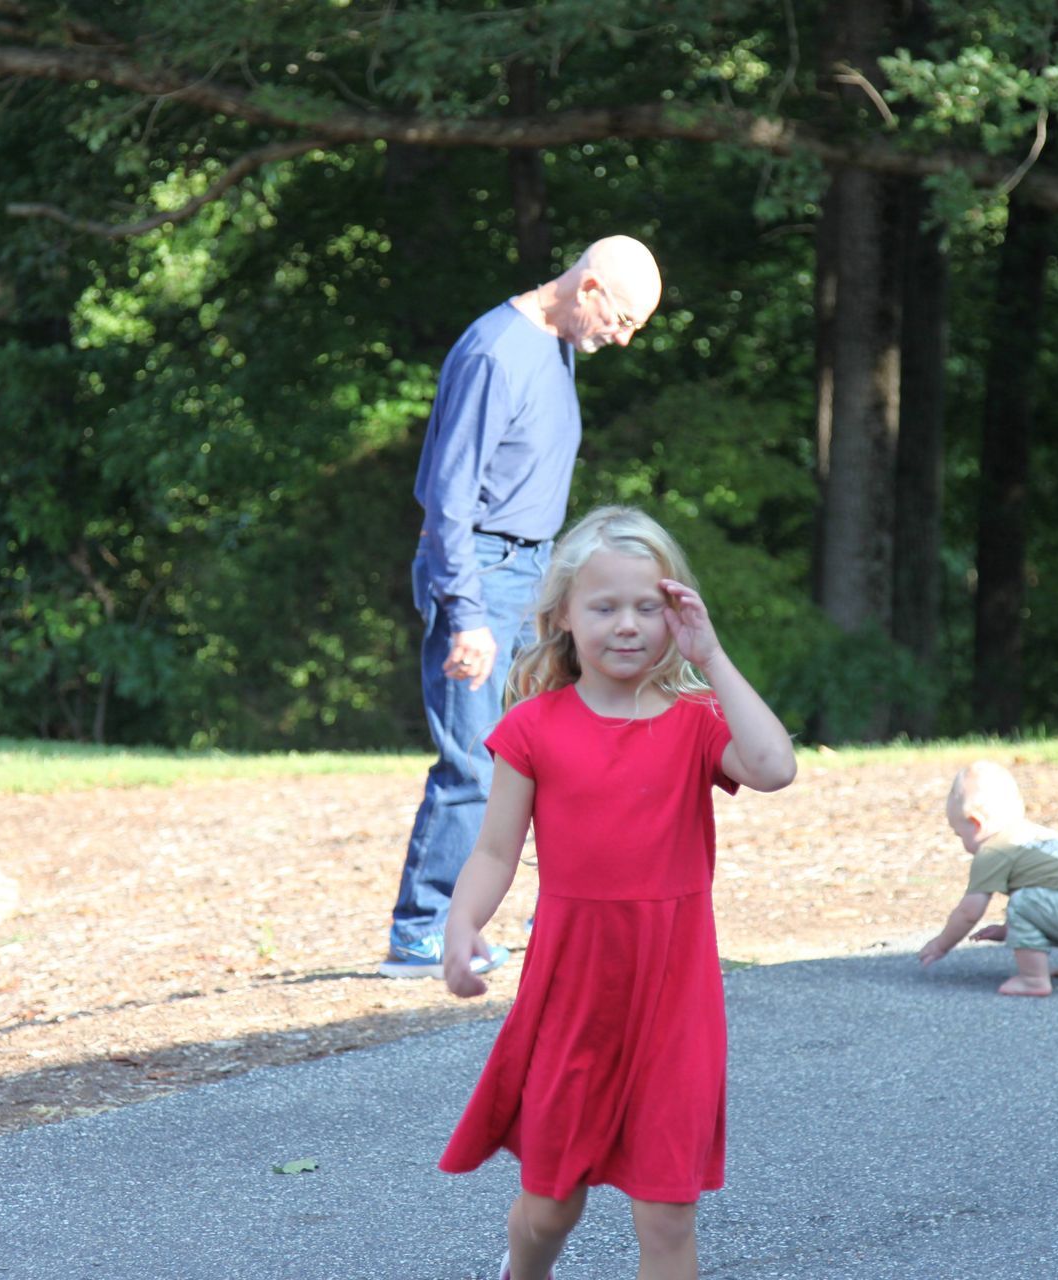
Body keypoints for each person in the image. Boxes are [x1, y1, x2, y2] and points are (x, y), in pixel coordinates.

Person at [436, 506, 797, 1280]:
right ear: (564, 615)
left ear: (674, 614)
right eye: (604, 607)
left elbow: (774, 767)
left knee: (667, 1215)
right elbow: (497, 851)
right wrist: (462, 924)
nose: (626, 626)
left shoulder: (699, 721)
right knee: (550, 1206)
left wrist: (713, 655)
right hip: (574, 993)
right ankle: (522, 1271)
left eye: (647, 607)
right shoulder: (534, 728)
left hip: (676, 996)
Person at [381, 237, 664, 979]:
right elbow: (447, 497)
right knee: (476, 761)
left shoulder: (556, 342)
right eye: (624, 318)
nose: (625, 338)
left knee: (560, 748)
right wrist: (466, 612)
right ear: (590, 287)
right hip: (482, 572)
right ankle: (423, 930)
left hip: (535, 572)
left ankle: (568, 908)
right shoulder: (494, 353)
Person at [919, 759, 1058, 997]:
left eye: (959, 834)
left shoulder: (993, 849)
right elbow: (1055, 893)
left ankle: (1033, 979)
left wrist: (941, 944)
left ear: (976, 824)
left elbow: (969, 912)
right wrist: (1009, 929)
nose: (961, 843)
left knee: (1023, 902)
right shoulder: (1036, 834)